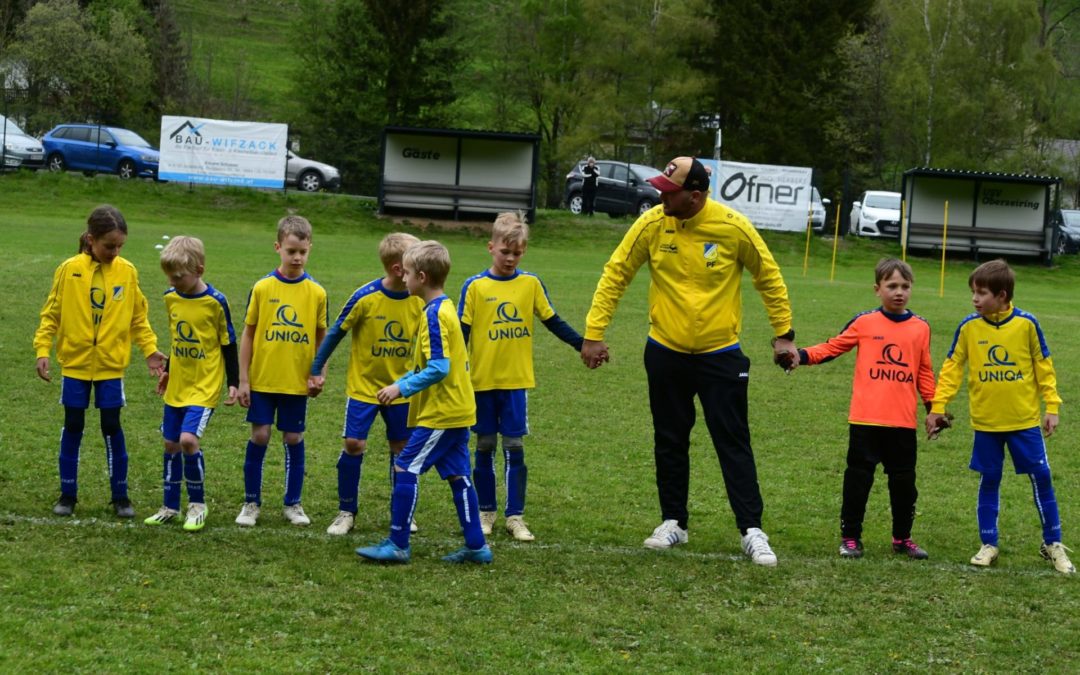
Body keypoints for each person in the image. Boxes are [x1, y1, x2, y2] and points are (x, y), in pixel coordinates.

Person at [580, 156, 794, 566]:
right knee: (670, 439)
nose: (660, 195)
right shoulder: (651, 223)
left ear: (694, 195)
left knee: (732, 443)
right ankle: (674, 522)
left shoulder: (732, 227)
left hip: (721, 354)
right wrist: (594, 333)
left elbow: (767, 275)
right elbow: (616, 273)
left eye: (669, 190)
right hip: (665, 350)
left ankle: (752, 530)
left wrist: (784, 334)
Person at [926, 259, 1074, 574]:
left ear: (1002, 294)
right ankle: (989, 543)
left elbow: (1043, 367)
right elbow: (952, 368)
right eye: (973, 293)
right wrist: (938, 406)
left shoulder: (1027, 324)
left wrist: (1052, 407)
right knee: (990, 480)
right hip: (986, 424)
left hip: (1024, 423)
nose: (974, 299)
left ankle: (1053, 544)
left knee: (1042, 479)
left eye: (981, 293)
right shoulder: (969, 327)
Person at [789, 258, 934, 559]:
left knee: (904, 485)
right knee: (858, 480)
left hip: (902, 423)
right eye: (892, 286)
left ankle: (902, 538)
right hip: (866, 419)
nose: (899, 292)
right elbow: (832, 347)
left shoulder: (920, 328)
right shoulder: (864, 323)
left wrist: (935, 408)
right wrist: (800, 355)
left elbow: (924, 372)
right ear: (877, 289)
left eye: (905, 286)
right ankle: (851, 537)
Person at [357, 240, 491, 564]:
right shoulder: (445, 308)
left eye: (405, 273)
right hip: (460, 409)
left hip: (442, 413)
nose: (402, 279)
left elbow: (438, 367)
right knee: (458, 475)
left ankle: (398, 542)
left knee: (405, 465)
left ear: (420, 276)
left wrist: (400, 388)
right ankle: (477, 546)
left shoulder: (434, 314)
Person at [457, 212, 584, 542]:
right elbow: (460, 333)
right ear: (491, 247)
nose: (511, 258)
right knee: (484, 445)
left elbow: (552, 320)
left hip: (516, 382)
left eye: (517, 252)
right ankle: (486, 512)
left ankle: (515, 516)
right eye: (505, 252)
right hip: (482, 382)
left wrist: (582, 345)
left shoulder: (530, 284)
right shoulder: (475, 286)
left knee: (514, 447)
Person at [34, 205, 166, 518]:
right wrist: (43, 350)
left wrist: (150, 350)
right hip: (76, 365)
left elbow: (138, 318)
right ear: (91, 240)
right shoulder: (69, 269)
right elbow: (51, 313)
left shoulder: (127, 271)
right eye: (109, 246)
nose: (115, 251)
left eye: (120, 246)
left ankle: (120, 495)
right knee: (74, 424)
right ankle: (68, 494)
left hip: (110, 366)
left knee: (111, 425)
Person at [309, 232, 424, 536]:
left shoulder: (420, 300)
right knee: (353, 444)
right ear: (399, 268)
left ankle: (402, 512)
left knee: (401, 448)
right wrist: (316, 368)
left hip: (402, 389)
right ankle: (346, 511)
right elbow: (336, 331)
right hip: (364, 388)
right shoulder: (365, 296)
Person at [235, 215, 328, 527]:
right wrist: (243, 379)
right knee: (260, 435)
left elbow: (321, 338)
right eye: (291, 251)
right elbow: (248, 334)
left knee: (293, 437)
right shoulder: (262, 288)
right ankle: (251, 503)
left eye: (302, 251)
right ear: (278, 247)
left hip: (296, 382)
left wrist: (319, 374)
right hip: (263, 379)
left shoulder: (317, 292)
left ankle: (293, 503)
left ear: (310, 248)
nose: (297, 257)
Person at [144, 236, 239, 531]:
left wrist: (234, 383)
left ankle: (197, 504)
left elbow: (228, 343)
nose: (174, 281)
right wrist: (169, 370)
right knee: (170, 443)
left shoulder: (215, 302)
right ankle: (170, 505)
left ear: (199, 269)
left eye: (179, 276)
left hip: (204, 385)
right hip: (179, 385)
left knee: (188, 440)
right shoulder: (170, 297)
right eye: (170, 276)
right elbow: (177, 339)